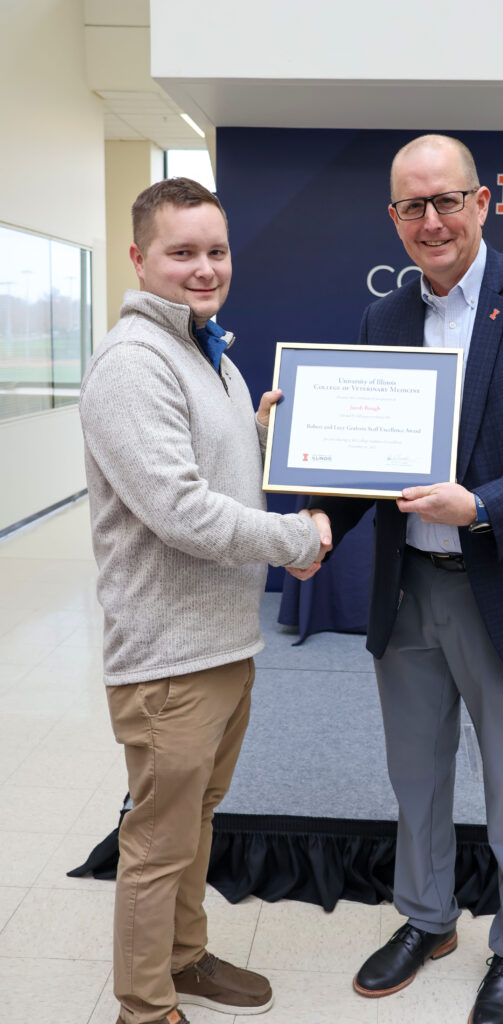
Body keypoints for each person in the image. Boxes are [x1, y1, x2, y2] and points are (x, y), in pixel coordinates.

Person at [293, 135, 503, 1024]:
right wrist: (317, 502)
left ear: (482, 204)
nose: (430, 221)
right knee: (415, 773)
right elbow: (366, 468)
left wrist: (482, 505)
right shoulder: (384, 319)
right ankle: (428, 919)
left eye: (446, 201)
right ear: (392, 219)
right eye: (411, 206)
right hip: (410, 591)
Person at [79, 177, 331, 1024]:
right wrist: (296, 540)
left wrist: (262, 436)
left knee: (197, 823)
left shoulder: (206, 352)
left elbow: (207, 468)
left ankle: (183, 957)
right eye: (181, 252)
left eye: (215, 251)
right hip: (168, 659)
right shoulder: (132, 362)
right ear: (138, 258)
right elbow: (179, 510)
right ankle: (144, 1008)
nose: (202, 268)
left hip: (222, 644)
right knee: (156, 843)